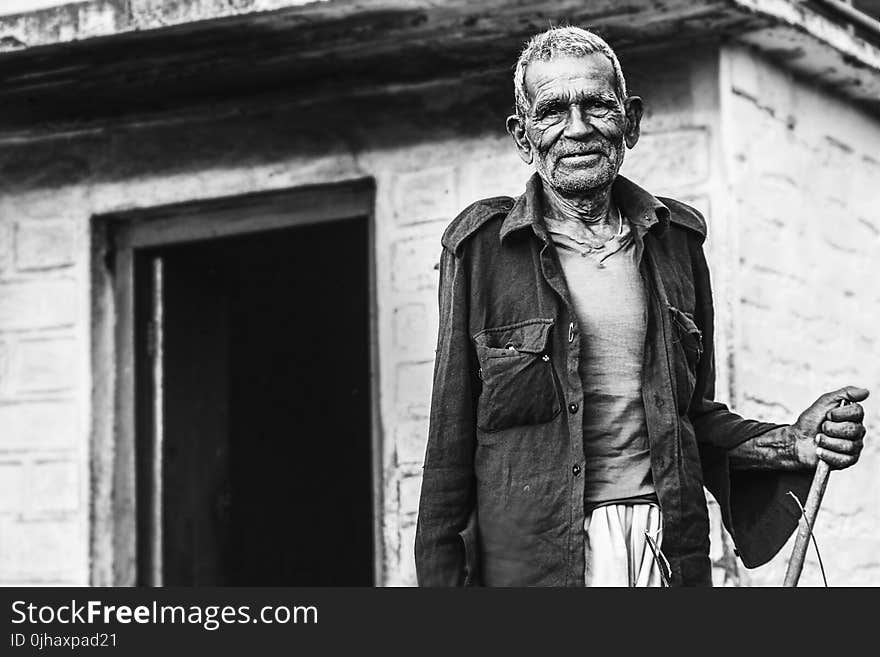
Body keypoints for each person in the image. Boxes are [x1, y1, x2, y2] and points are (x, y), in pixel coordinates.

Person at [414, 26, 869, 587]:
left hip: (663, 548)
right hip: (533, 564)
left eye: (597, 106)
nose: (577, 128)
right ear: (523, 135)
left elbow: (692, 420)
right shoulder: (482, 250)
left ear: (629, 121)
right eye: (553, 110)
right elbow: (447, 457)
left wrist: (791, 444)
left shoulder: (676, 243)